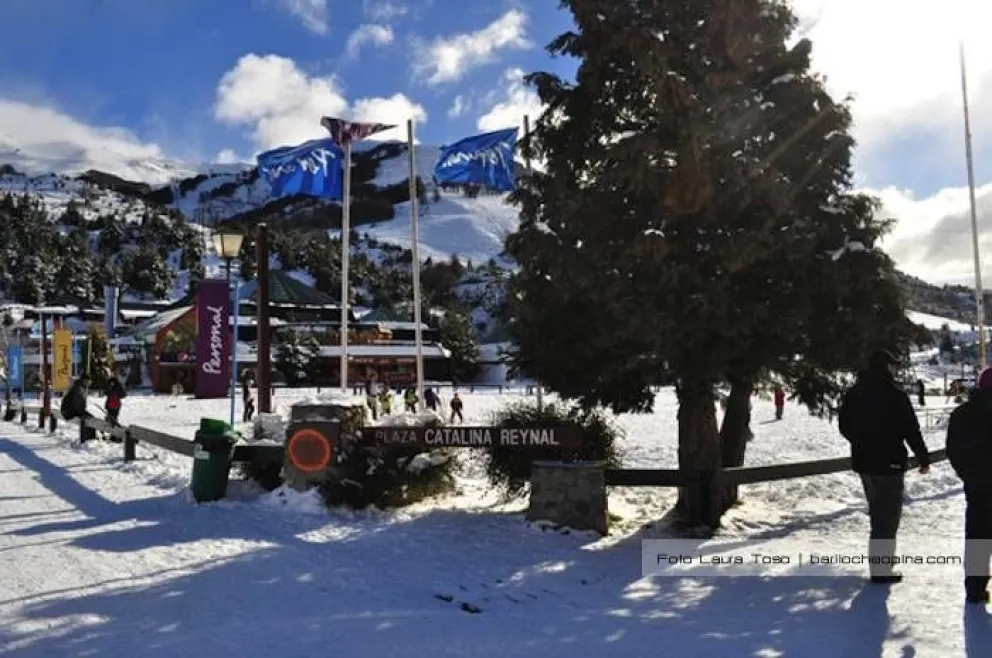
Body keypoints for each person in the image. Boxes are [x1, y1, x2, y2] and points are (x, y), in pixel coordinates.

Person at [838, 349, 930, 584]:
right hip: (889, 463)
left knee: (877, 514)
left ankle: (879, 566)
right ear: (887, 367)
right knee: (887, 519)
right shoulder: (894, 395)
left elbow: (844, 426)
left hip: (864, 462)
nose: (896, 369)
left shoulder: (854, 393)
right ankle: (881, 570)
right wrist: (922, 456)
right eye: (893, 365)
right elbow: (911, 429)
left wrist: (860, 442)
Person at [945, 367, 992, 604]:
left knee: (977, 537)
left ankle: (975, 589)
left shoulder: (962, 414)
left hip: (977, 485)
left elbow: (953, 450)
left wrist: (967, 475)